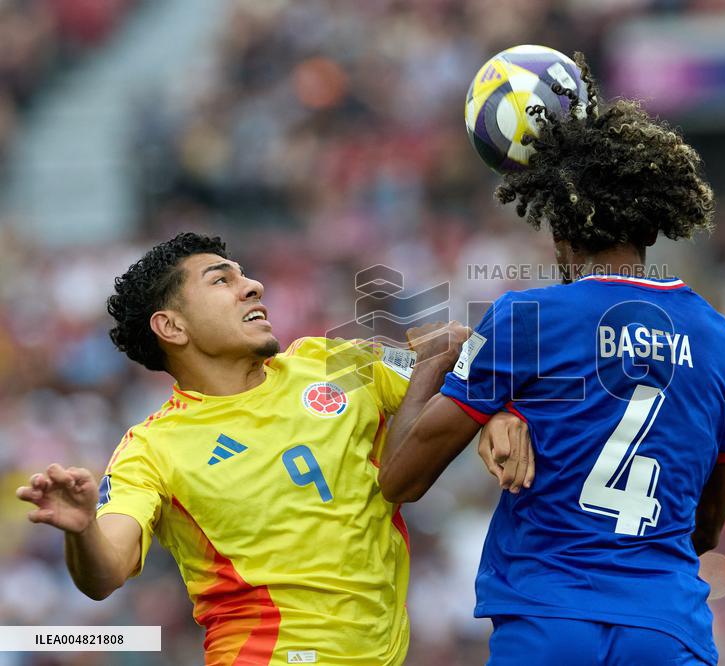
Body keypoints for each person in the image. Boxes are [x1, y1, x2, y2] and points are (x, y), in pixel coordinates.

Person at [379, 54, 725, 665]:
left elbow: (401, 479)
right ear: (653, 226)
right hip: (666, 627)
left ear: (557, 231)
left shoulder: (525, 319)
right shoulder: (724, 342)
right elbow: (705, 529)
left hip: (549, 620)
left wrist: (438, 364)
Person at [14, 232, 522, 665]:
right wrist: (82, 530)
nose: (252, 286)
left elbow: (457, 358)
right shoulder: (152, 448)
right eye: (221, 280)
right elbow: (106, 572)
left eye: (244, 275)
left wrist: (500, 413)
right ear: (172, 327)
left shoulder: (331, 362)